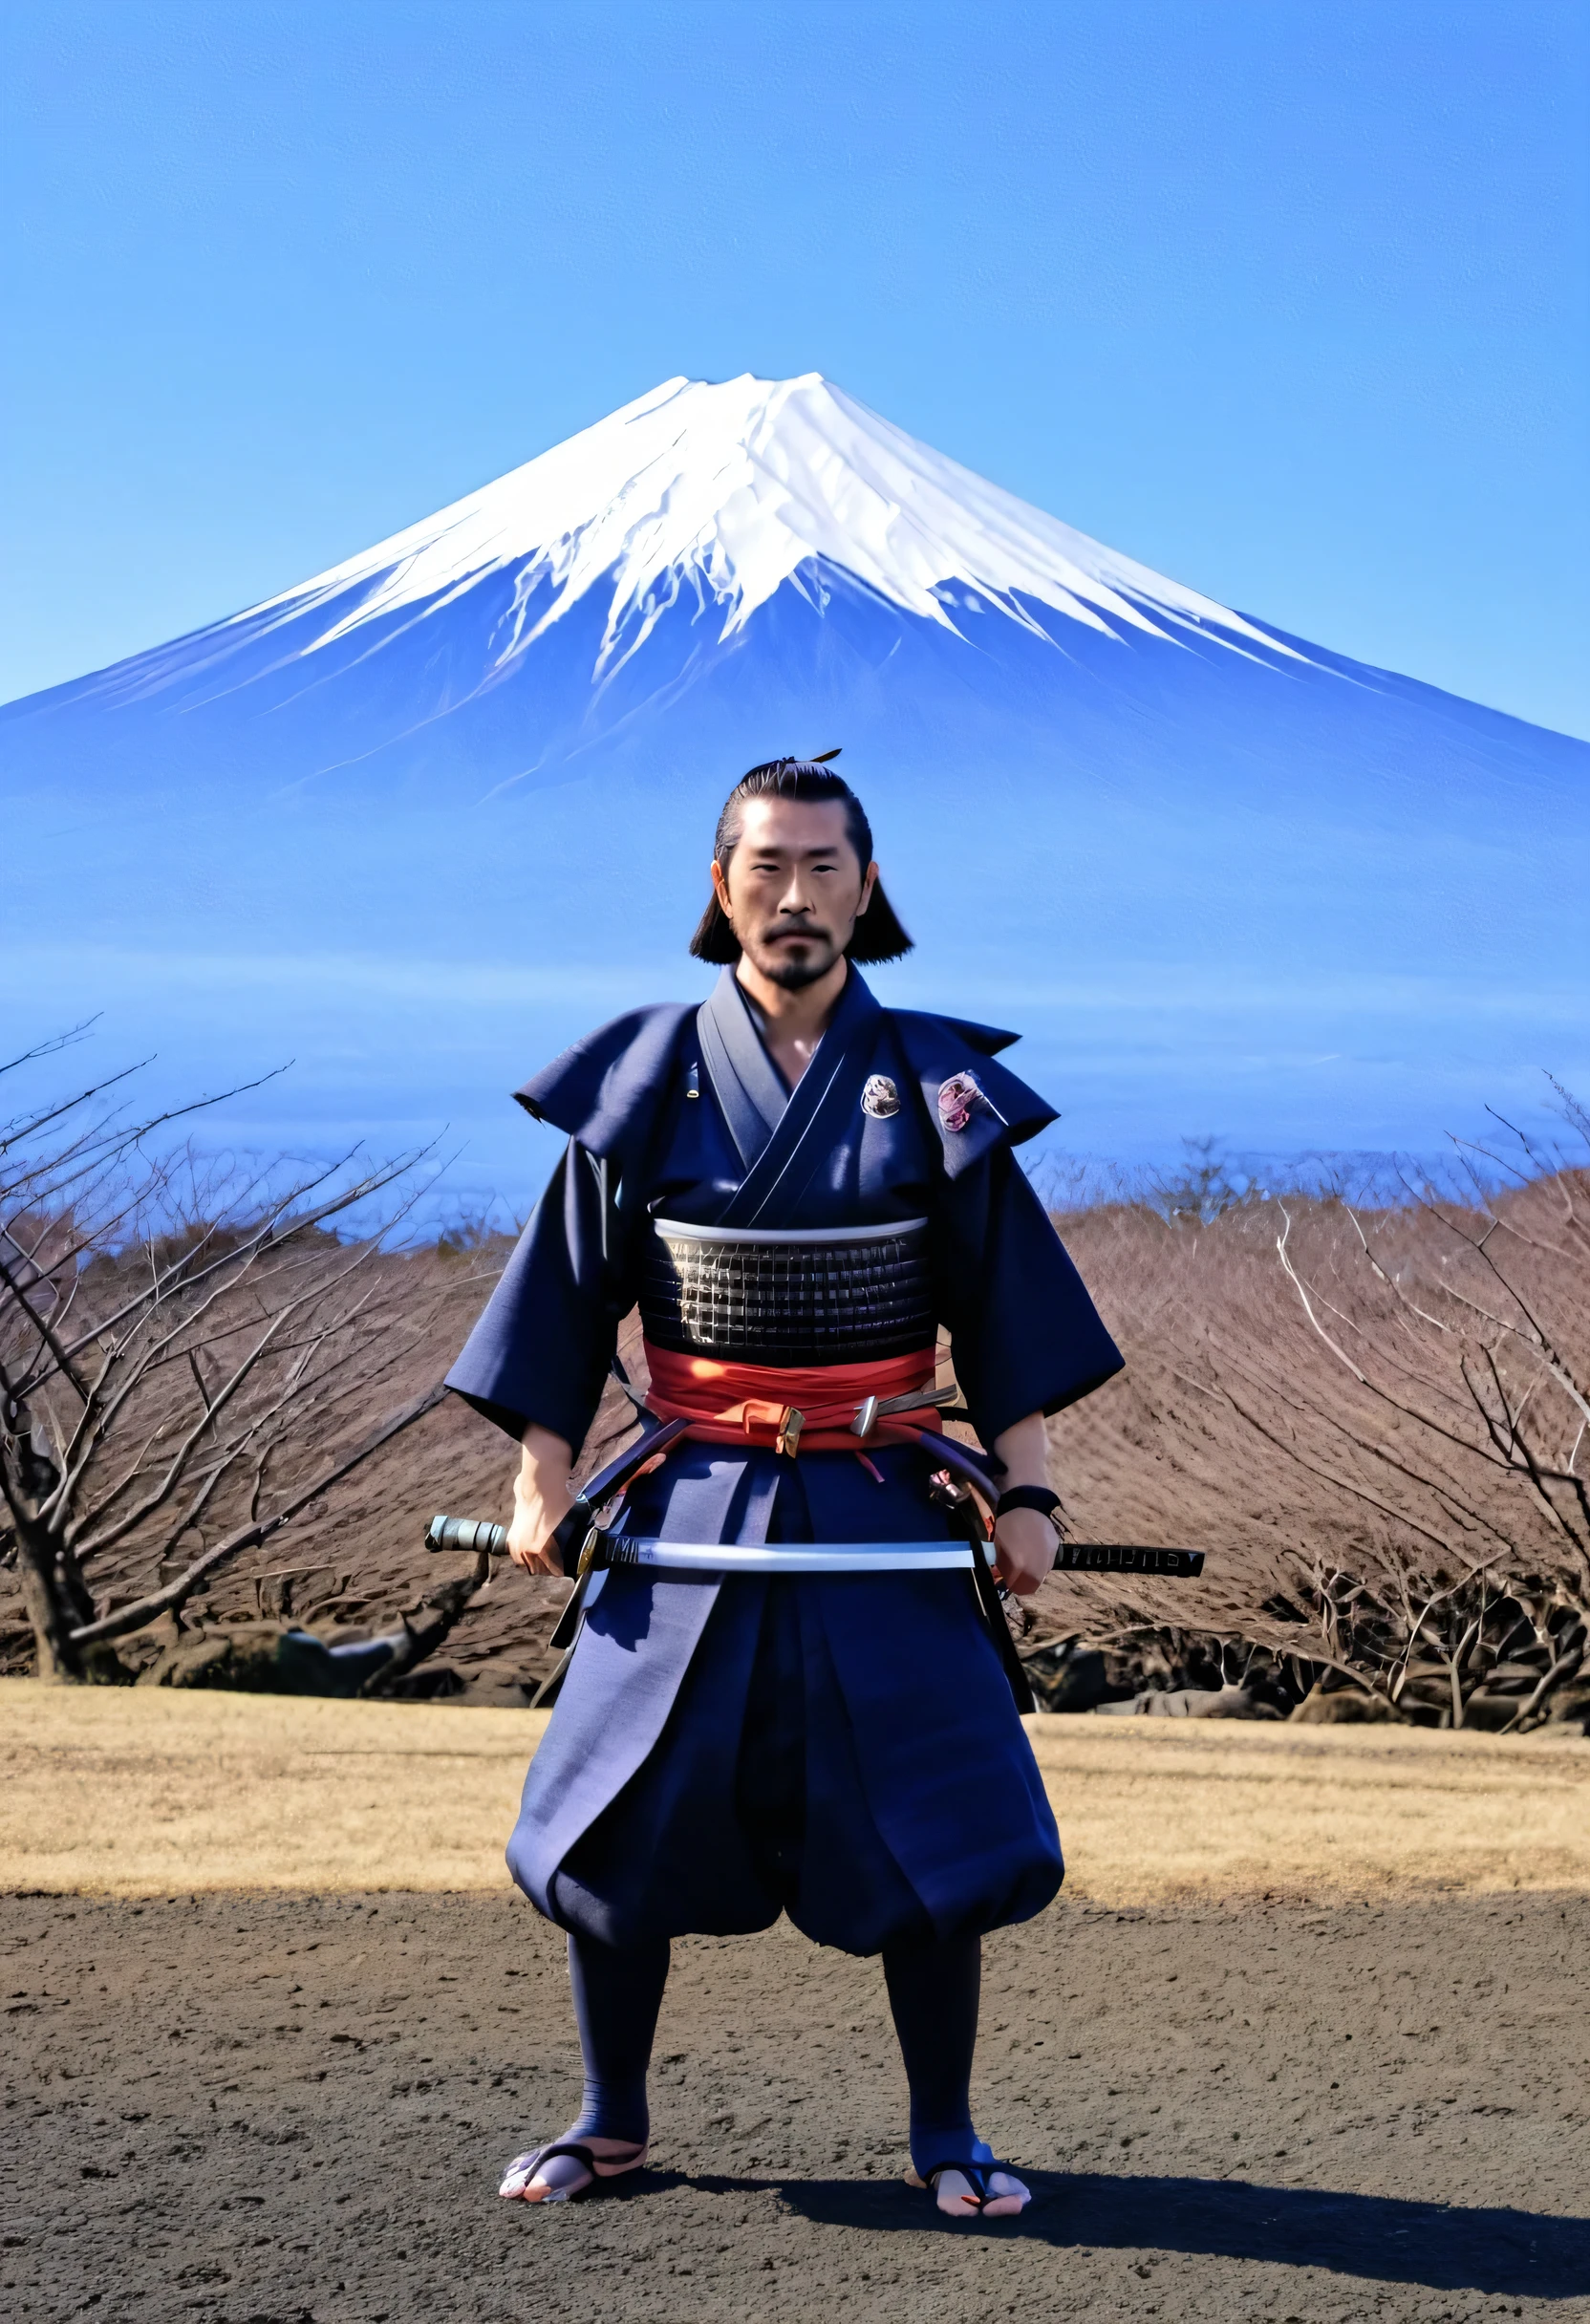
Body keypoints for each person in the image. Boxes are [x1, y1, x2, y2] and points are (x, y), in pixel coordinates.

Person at [446, 755, 1124, 2222]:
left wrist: (1028, 1496)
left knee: (932, 1810)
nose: (795, 896)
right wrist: (539, 1482)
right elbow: (564, 1302)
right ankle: (608, 2119)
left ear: (868, 889)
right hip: (687, 1496)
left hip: (886, 1490)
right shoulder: (641, 1073)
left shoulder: (940, 1087)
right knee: (618, 1812)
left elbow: (1006, 1309)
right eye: (767, 867)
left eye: (825, 867)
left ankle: (946, 2132)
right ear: (720, 886)